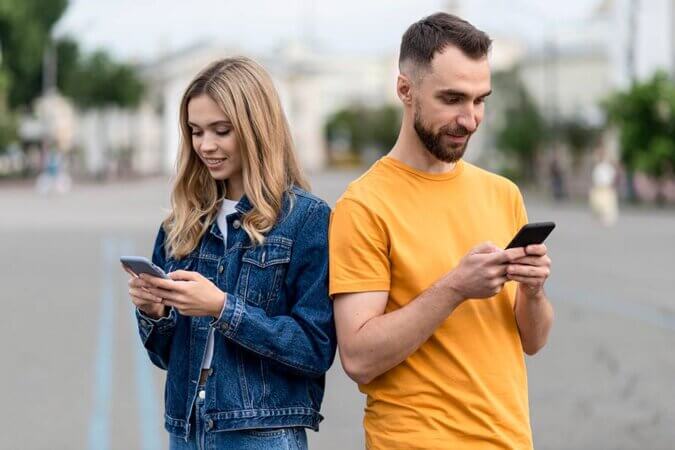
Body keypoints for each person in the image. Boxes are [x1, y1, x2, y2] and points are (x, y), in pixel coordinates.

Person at [329, 13, 554, 449]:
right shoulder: (364, 206)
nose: (469, 119)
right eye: (452, 99)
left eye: (479, 100)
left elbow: (534, 340)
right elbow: (358, 357)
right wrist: (455, 287)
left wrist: (534, 292)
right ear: (405, 90)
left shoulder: (502, 193)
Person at [127, 57, 336, 450]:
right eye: (195, 131)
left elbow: (314, 348)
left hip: (262, 434)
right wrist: (153, 313)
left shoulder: (305, 218)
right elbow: (166, 358)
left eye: (221, 131)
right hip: (187, 429)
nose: (205, 145)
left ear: (257, 129)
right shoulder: (181, 224)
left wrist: (222, 308)